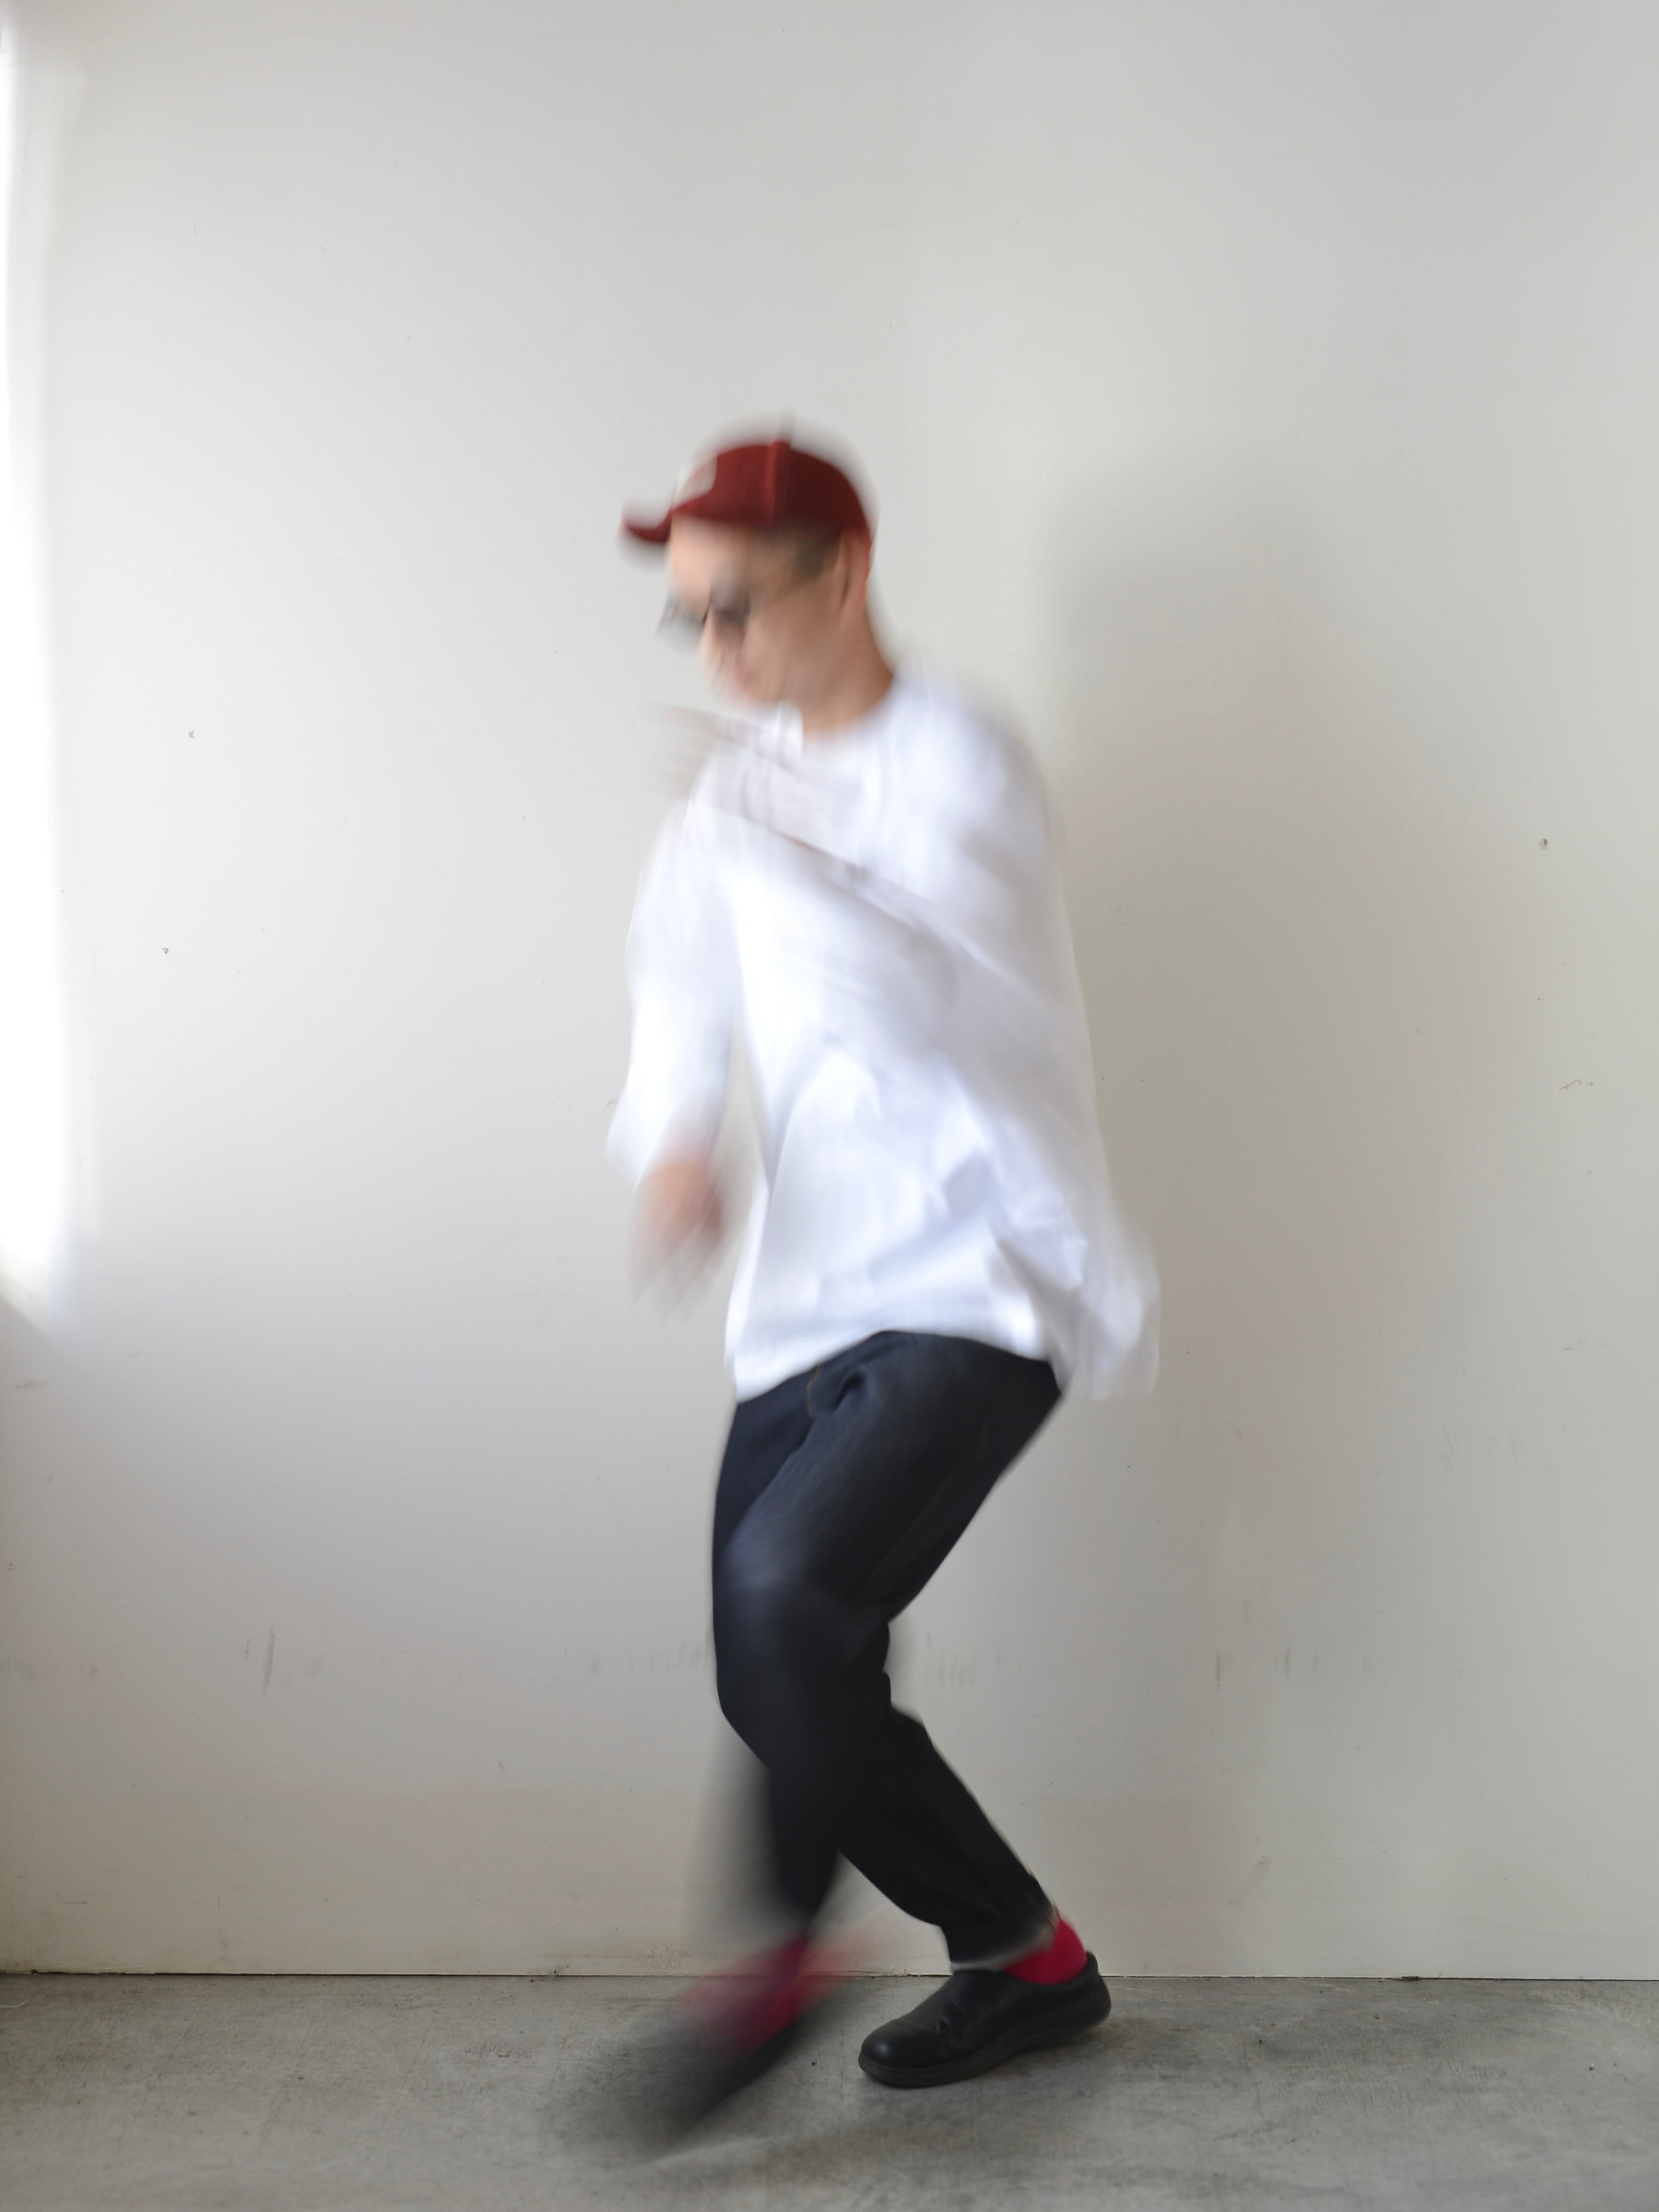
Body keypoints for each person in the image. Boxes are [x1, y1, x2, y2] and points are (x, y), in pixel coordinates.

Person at [606, 430, 1158, 2103]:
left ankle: (783, 1967)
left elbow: (930, 1006)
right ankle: (1029, 1958)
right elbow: (679, 976)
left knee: (791, 1596)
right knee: (768, 1659)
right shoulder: (740, 787)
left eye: (737, 607)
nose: (714, 648)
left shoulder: (962, 757)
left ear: (842, 577)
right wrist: (677, 1140)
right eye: (688, 616)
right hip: (811, 1290)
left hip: (985, 1272)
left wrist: (782, 849)